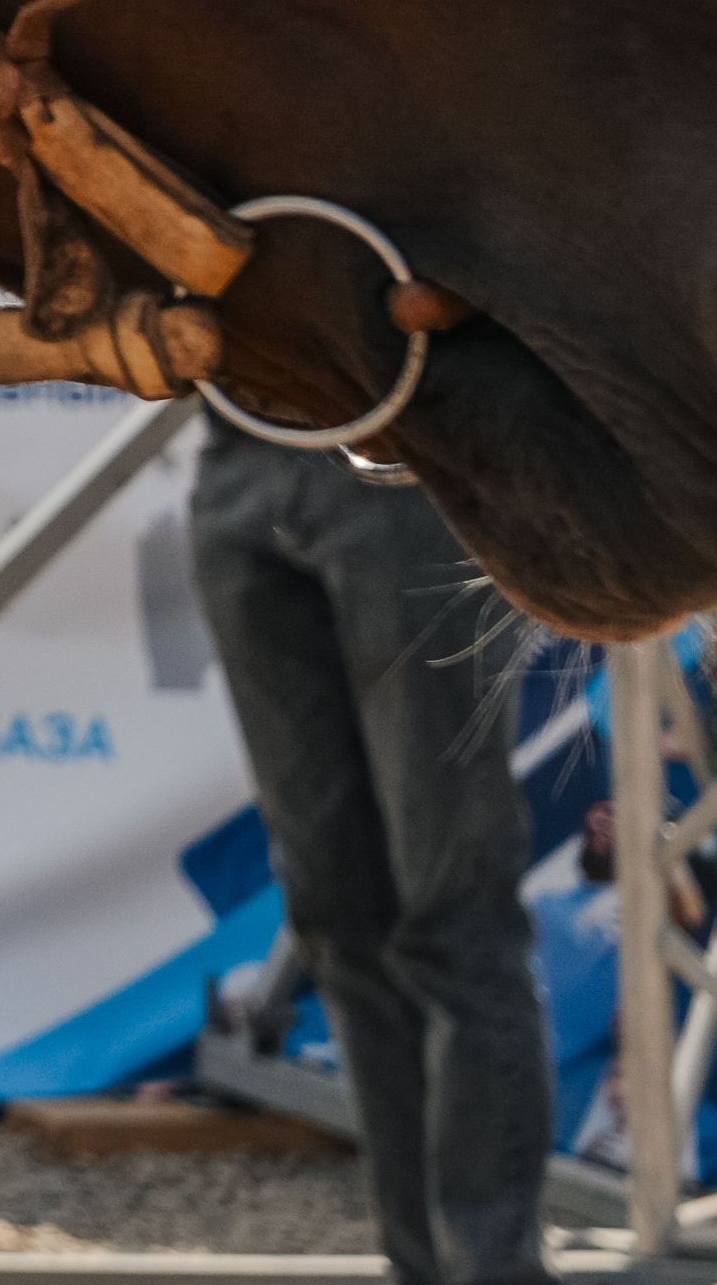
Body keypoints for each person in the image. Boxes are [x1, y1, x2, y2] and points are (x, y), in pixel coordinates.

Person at [192, 431, 548, 1285]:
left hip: (403, 459)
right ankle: (418, 1264)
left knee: (455, 913)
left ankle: (491, 1269)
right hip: (238, 448)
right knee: (335, 914)